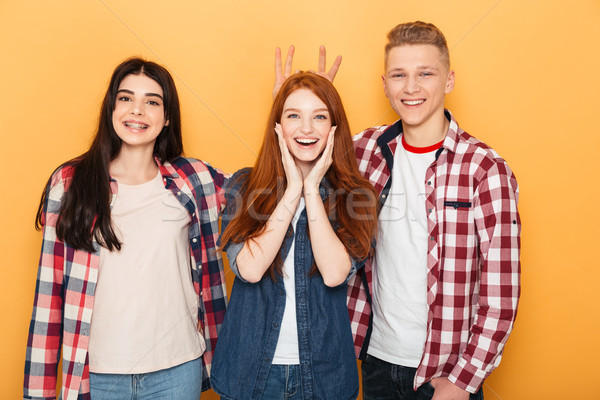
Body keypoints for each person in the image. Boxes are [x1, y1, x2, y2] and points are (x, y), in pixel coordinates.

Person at [275, 21, 521, 400]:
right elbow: (297, 166)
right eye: (399, 75)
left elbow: (500, 295)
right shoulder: (361, 151)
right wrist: (303, 105)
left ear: (449, 80)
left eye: (425, 73)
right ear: (384, 83)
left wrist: (462, 381)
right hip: (374, 362)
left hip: (446, 372)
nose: (411, 87)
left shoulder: (484, 169)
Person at [23, 58, 227, 400]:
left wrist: (287, 114)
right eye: (126, 98)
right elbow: (49, 296)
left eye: (152, 101)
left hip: (177, 371)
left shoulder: (193, 179)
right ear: (111, 108)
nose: (138, 110)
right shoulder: (71, 183)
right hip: (99, 375)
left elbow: (263, 192)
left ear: (166, 118)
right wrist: (38, 393)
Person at [210, 72, 378, 400]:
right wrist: (292, 192)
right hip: (248, 373)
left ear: (334, 129)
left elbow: (333, 274)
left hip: (324, 375)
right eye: (293, 116)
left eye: (319, 117)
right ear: (278, 127)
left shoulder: (357, 196)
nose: (305, 129)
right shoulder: (243, 187)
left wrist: (312, 189)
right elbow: (250, 269)